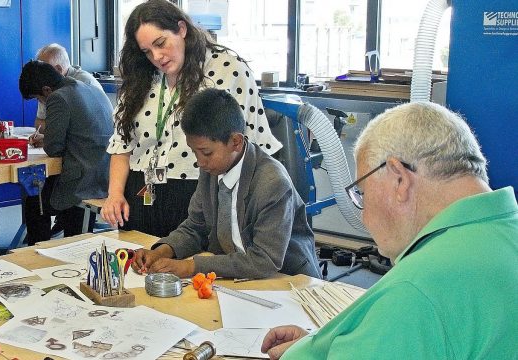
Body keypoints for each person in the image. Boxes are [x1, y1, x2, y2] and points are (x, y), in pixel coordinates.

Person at [261, 102, 518, 359]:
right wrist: (324, 347)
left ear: (399, 179)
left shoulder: (417, 289)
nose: (363, 215)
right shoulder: (502, 234)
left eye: (362, 193)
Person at [101, 0, 282, 238]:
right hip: (141, 192)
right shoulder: (142, 76)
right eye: (147, 51)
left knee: (192, 271)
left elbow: (252, 146)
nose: (157, 56)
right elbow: (122, 144)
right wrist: (114, 194)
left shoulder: (226, 68)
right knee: (142, 268)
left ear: (182, 29)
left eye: (161, 43)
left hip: (200, 192)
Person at [131, 89, 320, 279]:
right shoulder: (213, 169)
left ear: (236, 142)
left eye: (206, 153)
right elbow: (196, 227)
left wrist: (190, 267)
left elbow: (264, 260)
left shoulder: (272, 183)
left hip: (288, 280)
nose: (200, 162)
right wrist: (161, 252)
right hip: (238, 276)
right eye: (194, 152)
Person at [18, 60, 113, 245]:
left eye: (38, 98)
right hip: (104, 175)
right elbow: (81, 134)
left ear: (46, 90)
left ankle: (38, 253)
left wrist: (47, 140)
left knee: (34, 202)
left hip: (82, 181)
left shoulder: (58, 97)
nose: (40, 102)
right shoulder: (88, 88)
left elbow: (53, 149)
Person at [32, 43, 105, 132]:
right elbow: (39, 123)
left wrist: (53, 129)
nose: (40, 76)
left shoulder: (84, 83)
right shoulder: (48, 87)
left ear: (58, 69)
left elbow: (83, 128)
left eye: (43, 71)